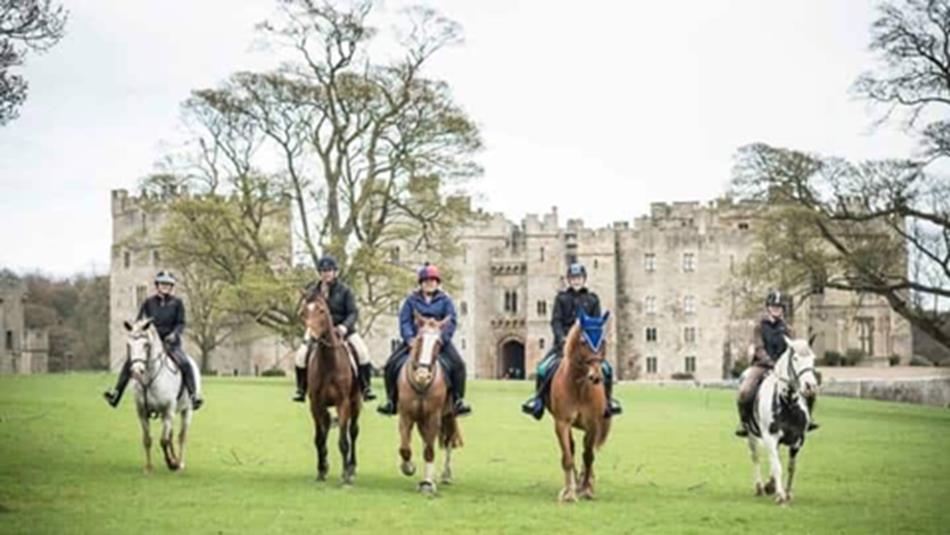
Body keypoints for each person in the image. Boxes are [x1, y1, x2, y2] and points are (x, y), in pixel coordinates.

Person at [521, 262, 622, 420]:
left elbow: (596, 323)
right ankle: (538, 401)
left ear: (584, 279)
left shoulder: (592, 299)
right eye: (573, 278)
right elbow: (556, 321)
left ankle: (608, 402)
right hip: (563, 346)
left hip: (587, 347)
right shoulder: (561, 298)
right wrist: (562, 339)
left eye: (579, 278)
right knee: (542, 368)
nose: (576, 281)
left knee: (607, 370)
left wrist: (591, 342)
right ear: (569, 280)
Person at [376, 263, 471, 416]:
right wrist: (409, 339)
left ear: (437, 283)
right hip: (416, 341)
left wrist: (442, 339)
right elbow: (405, 321)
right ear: (421, 283)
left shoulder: (445, 300)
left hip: (438, 341)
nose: (429, 284)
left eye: (433, 281)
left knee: (459, 365)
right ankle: (391, 401)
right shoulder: (411, 300)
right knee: (390, 365)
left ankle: (458, 400)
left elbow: (451, 321)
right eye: (426, 281)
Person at [103, 271, 203, 409]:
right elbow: (140, 321)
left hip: (171, 344)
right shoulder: (148, 303)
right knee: (129, 363)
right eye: (162, 284)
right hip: (150, 343)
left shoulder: (177, 303)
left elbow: (180, 323)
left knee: (185, 363)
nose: (165, 286)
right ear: (157, 285)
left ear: (172, 287)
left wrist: (174, 334)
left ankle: (193, 395)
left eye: (168, 284)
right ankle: (116, 394)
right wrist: (137, 331)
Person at [735, 290, 819, 437]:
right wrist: (770, 362)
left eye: (779, 307)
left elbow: (792, 349)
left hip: (783, 368)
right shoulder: (759, 326)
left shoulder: (788, 328)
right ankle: (744, 423)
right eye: (774, 307)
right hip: (761, 365)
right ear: (768, 308)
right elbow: (759, 348)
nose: (776, 310)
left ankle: (808, 418)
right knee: (745, 391)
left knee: (809, 388)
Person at [293, 255, 376, 402]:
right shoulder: (313, 291)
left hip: (342, 329)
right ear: (320, 273)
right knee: (300, 356)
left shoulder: (345, 290)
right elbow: (306, 310)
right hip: (318, 329)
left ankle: (365, 388)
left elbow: (353, 312)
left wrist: (344, 326)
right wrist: (309, 321)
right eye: (323, 271)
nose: (326, 274)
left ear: (335, 272)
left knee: (363, 353)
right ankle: (301, 389)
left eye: (329, 270)